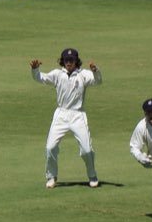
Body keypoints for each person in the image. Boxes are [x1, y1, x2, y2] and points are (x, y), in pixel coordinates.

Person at [31, 48, 101, 189]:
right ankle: (51, 176)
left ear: (76, 61)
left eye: (72, 60)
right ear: (63, 61)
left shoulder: (83, 74)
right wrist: (35, 69)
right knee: (50, 147)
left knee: (87, 150)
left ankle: (92, 175)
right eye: (66, 60)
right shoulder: (57, 74)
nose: (69, 62)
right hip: (61, 114)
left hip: (78, 114)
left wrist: (96, 71)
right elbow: (40, 78)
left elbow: (97, 81)